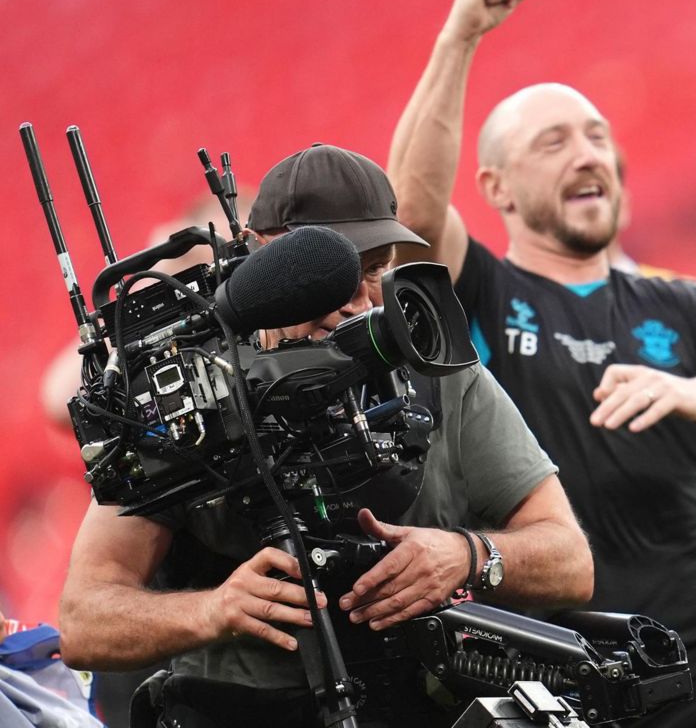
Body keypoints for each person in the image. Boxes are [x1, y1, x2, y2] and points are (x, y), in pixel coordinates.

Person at [388, 0, 696, 728]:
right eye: (552, 143)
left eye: (598, 137)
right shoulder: (482, 293)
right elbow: (409, 212)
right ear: (498, 188)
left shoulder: (684, 307)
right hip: (554, 689)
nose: (586, 155)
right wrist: (460, 38)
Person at [56, 144, 592, 727]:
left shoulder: (442, 375)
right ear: (264, 261)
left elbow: (572, 561)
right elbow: (84, 621)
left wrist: (469, 555)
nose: (361, 302)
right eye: (333, 274)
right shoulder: (188, 398)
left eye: (375, 269)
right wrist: (214, 610)